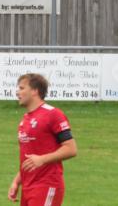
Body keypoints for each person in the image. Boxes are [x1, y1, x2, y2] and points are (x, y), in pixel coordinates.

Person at [8, 73, 77, 205]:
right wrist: (17, 181)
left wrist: (42, 159)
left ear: (35, 91)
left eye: (22, 88)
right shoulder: (25, 120)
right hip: (28, 187)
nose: (17, 92)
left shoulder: (53, 114)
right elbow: (29, 159)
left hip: (47, 185)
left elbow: (71, 149)